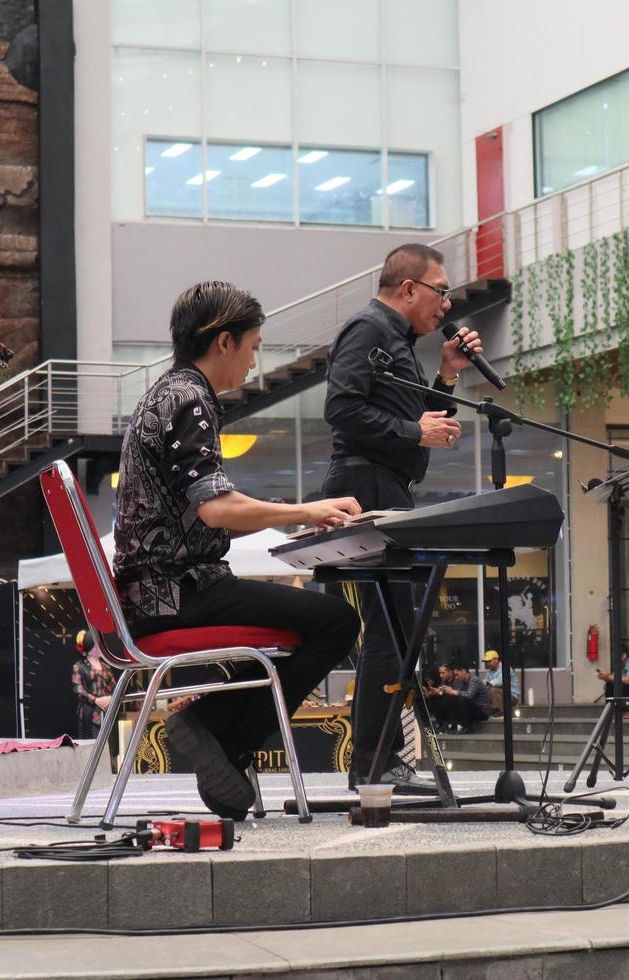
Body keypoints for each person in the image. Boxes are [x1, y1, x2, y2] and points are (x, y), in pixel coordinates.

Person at [112, 280, 363, 820]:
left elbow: (208, 508)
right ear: (223, 341)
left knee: (310, 622)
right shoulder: (189, 400)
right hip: (177, 593)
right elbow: (217, 511)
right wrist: (304, 512)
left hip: (156, 589)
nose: (255, 360)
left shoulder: (167, 392)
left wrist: (289, 514)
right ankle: (220, 728)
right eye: (254, 345)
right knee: (336, 621)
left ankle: (221, 727)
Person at [322, 243, 483, 792]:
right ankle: (376, 765)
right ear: (409, 287)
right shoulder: (368, 328)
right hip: (363, 484)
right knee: (390, 634)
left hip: (386, 483)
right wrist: (415, 431)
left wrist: (449, 375)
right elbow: (341, 408)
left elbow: (417, 421)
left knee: (396, 631)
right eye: (441, 290)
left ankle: (380, 762)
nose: (447, 302)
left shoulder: (399, 343)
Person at [70, 628, 114, 740]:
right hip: (89, 713)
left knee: (109, 742)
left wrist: (111, 698)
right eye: (97, 646)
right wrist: (96, 700)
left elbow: (114, 685)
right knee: (91, 743)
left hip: (107, 711)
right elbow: (78, 690)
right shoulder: (79, 667)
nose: (100, 649)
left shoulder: (106, 666)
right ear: (90, 648)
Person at [427, 663, 493, 734]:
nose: (456, 677)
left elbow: (469, 695)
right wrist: (440, 691)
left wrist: (452, 691)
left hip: (483, 711)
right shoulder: (463, 682)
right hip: (474, 709)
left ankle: (466, 727)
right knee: (442, 701)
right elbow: (458, 694)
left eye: (457, 675)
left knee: (459, 699)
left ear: (463, 671)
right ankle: (445, 725)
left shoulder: (474, 680)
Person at [481, 649, 519, 714]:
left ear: (496, 660)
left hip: (511, 696)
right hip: (501, 694)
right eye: (486, 661)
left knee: (493, 690)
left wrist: (487, 684)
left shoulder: (506, 668)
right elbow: (485, 682)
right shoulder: (489, 671)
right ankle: (487, 711)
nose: (487, 663)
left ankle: (500, 712)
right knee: (484, 691)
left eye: (489, 661)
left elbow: (500, 681)